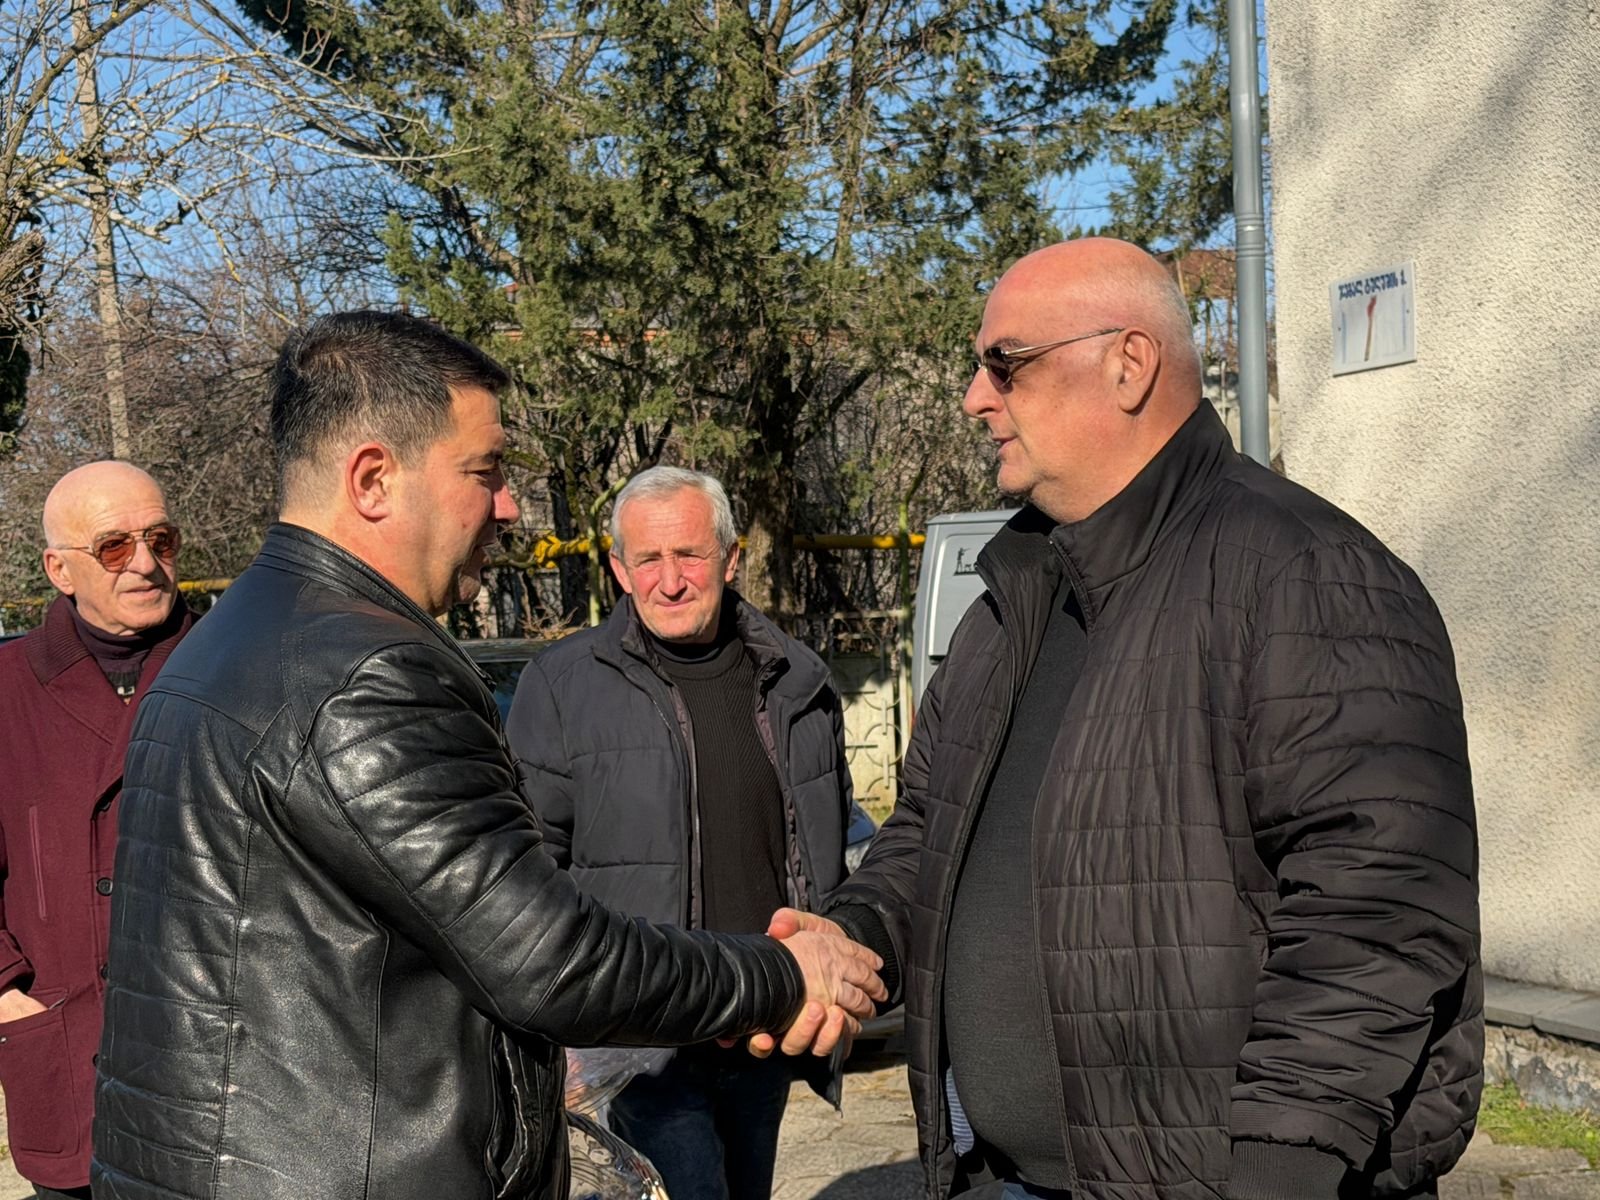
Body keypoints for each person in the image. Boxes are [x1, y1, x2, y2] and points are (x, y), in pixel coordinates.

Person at [89, 310, 884, 1200]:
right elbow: (551, 957)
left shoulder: (224, 643)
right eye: (486, 471)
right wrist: (783, 973)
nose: (507, 505)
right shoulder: (366, 674)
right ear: (374, 479)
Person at [775, 238, 1482, 1200]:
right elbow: (925, 838)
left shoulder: (1306, 572)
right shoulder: (1011, 602)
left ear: (1130, 363)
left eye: (1005, 364)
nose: (976, 399)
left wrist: (1278, 1173)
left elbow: (1376, 909)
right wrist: (848, 940)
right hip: (1003, 1178)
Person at [506, 465, 854, 1200]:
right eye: (648, 559)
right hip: (644, 1040)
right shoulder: (562, 686)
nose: (670, 581)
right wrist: (558, 1025)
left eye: (689, 555)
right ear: (618, 570)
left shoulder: (797, 682)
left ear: (730, 558)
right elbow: (530, 872)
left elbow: (820, 855)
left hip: (764, 1024)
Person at [0, 461, 192, 1200]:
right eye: (114, 546)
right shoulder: (7, 689)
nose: (144, 563)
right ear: (60, 569)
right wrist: (5, 990)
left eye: (160, 539)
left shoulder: (231, 668)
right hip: (69, 1052)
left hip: (219, 1072)